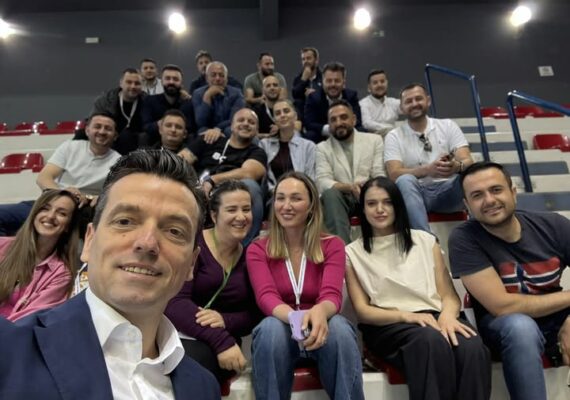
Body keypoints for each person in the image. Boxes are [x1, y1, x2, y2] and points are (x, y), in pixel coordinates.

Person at [0, 150, 220, 399]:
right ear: (90, 241)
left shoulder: (204, 388)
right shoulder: (8, 350)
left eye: (174, 231)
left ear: (191, 263)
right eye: (125, 221)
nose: (147, 243)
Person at [345, 176, 491, 400]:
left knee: (471, 347)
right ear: (363, 210)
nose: (380, 209)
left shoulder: (425, 241)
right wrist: (408, 316)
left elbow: (449, 296)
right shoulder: (352, 253)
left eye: (388, 202)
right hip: (390, 324)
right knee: (430, 341)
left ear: (398, 206)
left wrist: (448, 317)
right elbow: (363, 311)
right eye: (372, 203)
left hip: (436, 316)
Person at [449, 161, 570, 400]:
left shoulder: (554, 225)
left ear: (513, 192)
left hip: (555, 316)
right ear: (467, 205)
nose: (489, 200)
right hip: (502, 327)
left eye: (496, 190)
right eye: (477, 195)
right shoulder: (464, 239)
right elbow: (502, 306)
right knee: (520, 327)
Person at [246, 172, 364, 400]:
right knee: (269, 328)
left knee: (340, 328)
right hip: (282, 331)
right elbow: (266, 296)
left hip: (322, 329)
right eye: (280, 198)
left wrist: (318, 312)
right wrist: (296, 318)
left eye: (296, 198)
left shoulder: (333, 245)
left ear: (311, 206)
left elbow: (332, 295)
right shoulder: (258, 249)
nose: (286, 206)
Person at [166, 180, 261, 383]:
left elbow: (254, 314)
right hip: (181, 335)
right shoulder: (193, 245)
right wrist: (221, 340)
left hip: (221, 347)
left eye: (246, 209)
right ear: (214, 215)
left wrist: (224, 320)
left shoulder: (251, 256)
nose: (241, 217)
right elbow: (174, 303)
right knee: (191, 365)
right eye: (232, 210)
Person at [0, 113, 121, 237]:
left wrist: (98, 198)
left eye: (108, 128)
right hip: (53, 201)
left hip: (85, 210)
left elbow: (117, 194)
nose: (102, 131)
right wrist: (64, 193)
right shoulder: (69, 147)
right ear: (87, 130)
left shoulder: (119, 162)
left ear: (115, 135)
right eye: (97, 126)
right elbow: (43, 178)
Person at [384, 83, 473, 233]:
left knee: (473, 174)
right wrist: (428, 170)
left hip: (449, 190)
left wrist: (456, 166)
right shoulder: (394, 136)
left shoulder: (448, 126)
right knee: (404, 180)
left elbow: (467, 160)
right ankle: (426, 240)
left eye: (418, 99)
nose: (414, 104)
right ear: (402, 108)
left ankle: (484, 234)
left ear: (428, 100)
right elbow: (394, 174)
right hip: (415, 193)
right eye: (408, 101)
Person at [181, 108, 267, 245]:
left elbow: (249, 173)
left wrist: (212, 180)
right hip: (198, 190)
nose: (246, 123)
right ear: (231, 126)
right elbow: (180, 160)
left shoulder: (257, 152)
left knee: (251, 186)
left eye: (251, 122)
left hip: (231, 196)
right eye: (241, 120)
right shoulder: (209, 140)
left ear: (257, 130)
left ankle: (243, 249)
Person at [0, 189, 80, 321]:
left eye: (62, 213)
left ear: (68, 226)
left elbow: (27, 322)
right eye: (45, 209)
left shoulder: (61, 275)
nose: (50, 216)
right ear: (34, 214)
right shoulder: (2, 245)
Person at [316, 100, 385, 244]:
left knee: (384, 188)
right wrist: (350, 187)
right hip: (341, 199)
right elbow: (322, 181)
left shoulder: (374, 140)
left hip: (369, 193)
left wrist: (365, 189)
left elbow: (379, 174)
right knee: (329, 194)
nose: (338, 123)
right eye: (333, 120)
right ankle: (342, 251)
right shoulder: (322, 148)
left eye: (343, 117)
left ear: (353, 119)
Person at [259, 99, 316, 193]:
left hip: (301, 194)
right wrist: (277, 192)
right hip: (274, 195)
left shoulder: (309, 146)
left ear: (295, 116)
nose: (282, 115)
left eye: (286, 111)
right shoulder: (264, 145)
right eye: (278, 113)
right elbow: (265, 180)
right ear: (274, 120)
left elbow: (310, 178)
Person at [89, 68, 146, 154]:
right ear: (121, 83)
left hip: (136, 141)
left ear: (142, 86)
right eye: (129, 82)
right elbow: (93, 121)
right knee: (81, 133)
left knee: (127, 136)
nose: (133, 86)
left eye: (137, 83)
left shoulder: (148, 101)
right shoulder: (105, 100)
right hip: (109, 136)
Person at [303, 61, 364, 143]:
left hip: (347, 132)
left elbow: (357, 121)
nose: (333, 84)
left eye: (337, 81)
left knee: (362, 131)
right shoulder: (313, 97)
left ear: (343, 82)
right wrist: (331, 128)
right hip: (324, 135)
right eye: (329, 81)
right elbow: (309, 123)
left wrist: (342, 127)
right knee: (310, 135)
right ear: (323, 81)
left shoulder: (351, 96)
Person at [142, 64, 195, 146]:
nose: (171, 82)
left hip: (182, 145)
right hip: (155, 144)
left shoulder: (188, 103)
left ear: (181, 83)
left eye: (175, 79)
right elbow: (146, 126)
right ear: (161, 81)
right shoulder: (149, 101)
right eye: (167, 78)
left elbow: (191, 128)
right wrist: (164, 123)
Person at [193, 61, 245, 137]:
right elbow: (201, 122)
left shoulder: (236, 93)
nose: (217, 78)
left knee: (230, 130)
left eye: (221, 75)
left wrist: (217, 129)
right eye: (213, 75)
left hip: (228, 128)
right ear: (207, 78)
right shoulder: (198, 93)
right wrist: (207, 96)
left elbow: (235, 119)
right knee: (202, 132)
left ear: (226, 79)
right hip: (207, 129)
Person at [359, 69, 400, 137]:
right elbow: (367, 123)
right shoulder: (363, 104)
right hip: (374, 139)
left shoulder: (393, 102)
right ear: (369, 87)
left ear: (387, 83)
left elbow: (408, 108)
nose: (379, 85)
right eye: (375, 83)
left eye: (382, 81)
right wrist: (391, 128)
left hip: (394, 137)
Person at [291, 47, 322, 121]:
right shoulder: (298, 78)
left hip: (321, 112)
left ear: (316, 60)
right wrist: (303, 80)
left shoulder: (323, 76)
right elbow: (295, 95)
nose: (306, 61)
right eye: (303, 59)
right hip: (304, 114)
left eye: (308, 58)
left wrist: (315, 94)